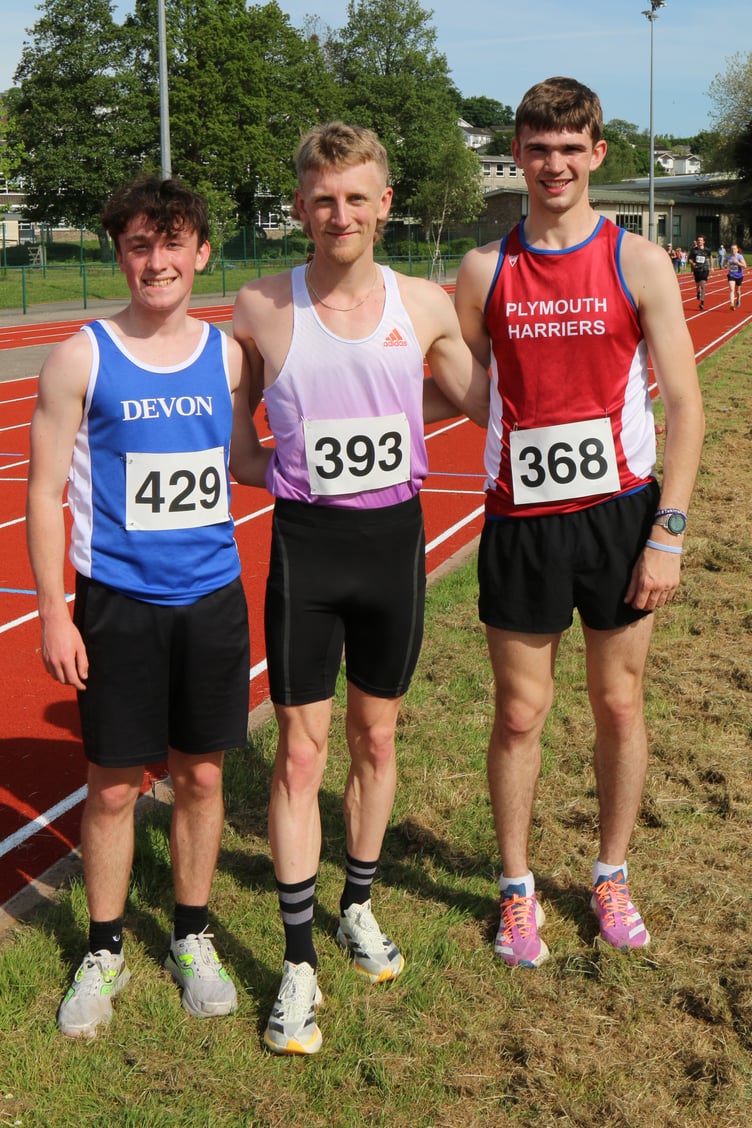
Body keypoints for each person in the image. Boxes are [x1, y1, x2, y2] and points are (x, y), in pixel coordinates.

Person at [233, 121, 488, 1054]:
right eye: (322, 199)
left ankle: (359, 904)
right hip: (308, 548)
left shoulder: (422, 304)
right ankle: (298, 960)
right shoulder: (261, 305)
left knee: (376, 736)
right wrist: (279, 464)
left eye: (355, 198)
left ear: (384, 204)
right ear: (301, 207)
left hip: (393, 548)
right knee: (300, 755)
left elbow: (478, 399)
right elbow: (237, 439)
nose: (339, 214)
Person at [455, 77, 704, 969]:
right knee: (521, 713)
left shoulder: (638, 261)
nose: (554, 163)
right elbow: (465, 384)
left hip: (620, 517)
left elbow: (686, 405)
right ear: (517, 155)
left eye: (571, 147)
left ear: (598, 153)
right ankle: (516, 888)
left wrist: (668, 534)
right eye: (538, 147)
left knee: (619, 702)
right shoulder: (483, 270)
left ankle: (610, 873)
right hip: (521, 521)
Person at [26, 176, 268, 1038]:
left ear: (201, 253)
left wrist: (342, 459)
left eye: (172, 244)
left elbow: (247, 460)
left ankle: (191, 935)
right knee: (114, 787)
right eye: (139, 245)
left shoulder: (229, 357)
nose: (156, 261)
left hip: (211, 600)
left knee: (202, 777)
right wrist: (54, 612)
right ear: (119, 254)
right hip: (117, 605)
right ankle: (103, 948)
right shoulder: (80, 358)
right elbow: (44, 491)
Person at [688, 235, 712, 309]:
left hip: (705, 269)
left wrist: (712, 267)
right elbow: (690, 259)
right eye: (698, 240)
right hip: (697, 270)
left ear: (703, 242)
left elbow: (710, 257)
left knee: (703, 285)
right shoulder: (693, 250)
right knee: (697, 285)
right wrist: (693, 263)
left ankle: (702, 302)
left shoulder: (707, 250)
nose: (699, 241)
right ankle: (698, 292)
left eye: (701, 240)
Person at [726, 243, 746, 309]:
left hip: (739, 275)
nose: (733, 250)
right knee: (732, 289)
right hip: (731, 275)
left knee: (737, 291)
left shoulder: (740, 256)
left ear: (737, 249)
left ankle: (738, 299)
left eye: (734, 249)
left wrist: (738, 263)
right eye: (732, 249)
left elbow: (745, 266)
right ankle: (732, 303)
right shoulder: (729, 256)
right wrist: (725, 264)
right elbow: (725, 262)